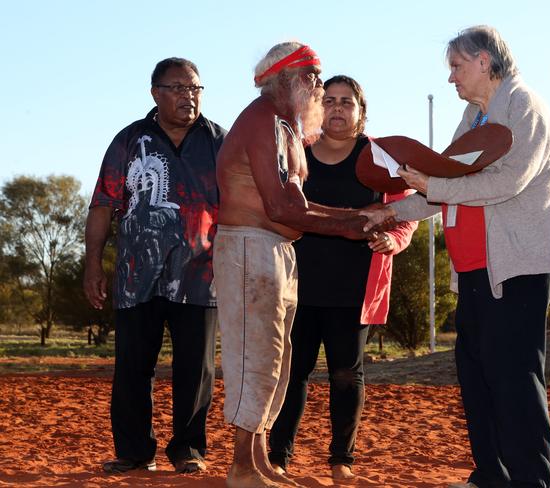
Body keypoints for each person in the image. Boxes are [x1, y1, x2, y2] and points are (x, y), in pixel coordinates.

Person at [361, 26, 550, 488]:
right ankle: (492, 476)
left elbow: (506, 183)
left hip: (517, 264)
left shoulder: (525, 107)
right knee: (476, 373)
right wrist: (389, 211)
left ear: (485, 61)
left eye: (457, 67)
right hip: (475, 267)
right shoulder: (473, 117)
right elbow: (445, 186)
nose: (451, 78)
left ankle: (535, 482)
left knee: (514, 377)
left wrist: (430, 186)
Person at [213, 43, 374, 488]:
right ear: (283, 79)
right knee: (255, 357)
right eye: (312, 76)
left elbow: (293, 206)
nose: (319, 86)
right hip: (250, 247)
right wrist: (352, 223)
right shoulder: (261, 119)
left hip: (276, 253)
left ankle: (260, 460)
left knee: (276, 363)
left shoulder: (287, 127)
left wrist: (356, 220)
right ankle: (242, 468)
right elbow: (282, 207)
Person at [267, 75, 417, 481]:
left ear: (361, 112)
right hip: (298, 283)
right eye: (328, 100)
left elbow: (407, 211)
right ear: (318, 106)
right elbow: (276, 204)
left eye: (346, 102)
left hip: (355, 286)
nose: (337, 108)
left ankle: (341, 460)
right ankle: (278, 455)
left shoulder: (381, 157)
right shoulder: (299, 150)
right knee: (292, 372)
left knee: (346, 374)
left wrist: (394, 238)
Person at [84, 57, 226, 475]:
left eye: (196, 89)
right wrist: (93, 264)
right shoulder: (129, 141)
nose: (189, 97)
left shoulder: (221, 141)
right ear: (155, 93)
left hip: (202, 274)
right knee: (132, 366)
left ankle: (188, 450)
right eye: (179, 88)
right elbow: (102, 205)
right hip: (135, 275)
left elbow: (243, 203)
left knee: (196, 369)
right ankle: (132, 452)